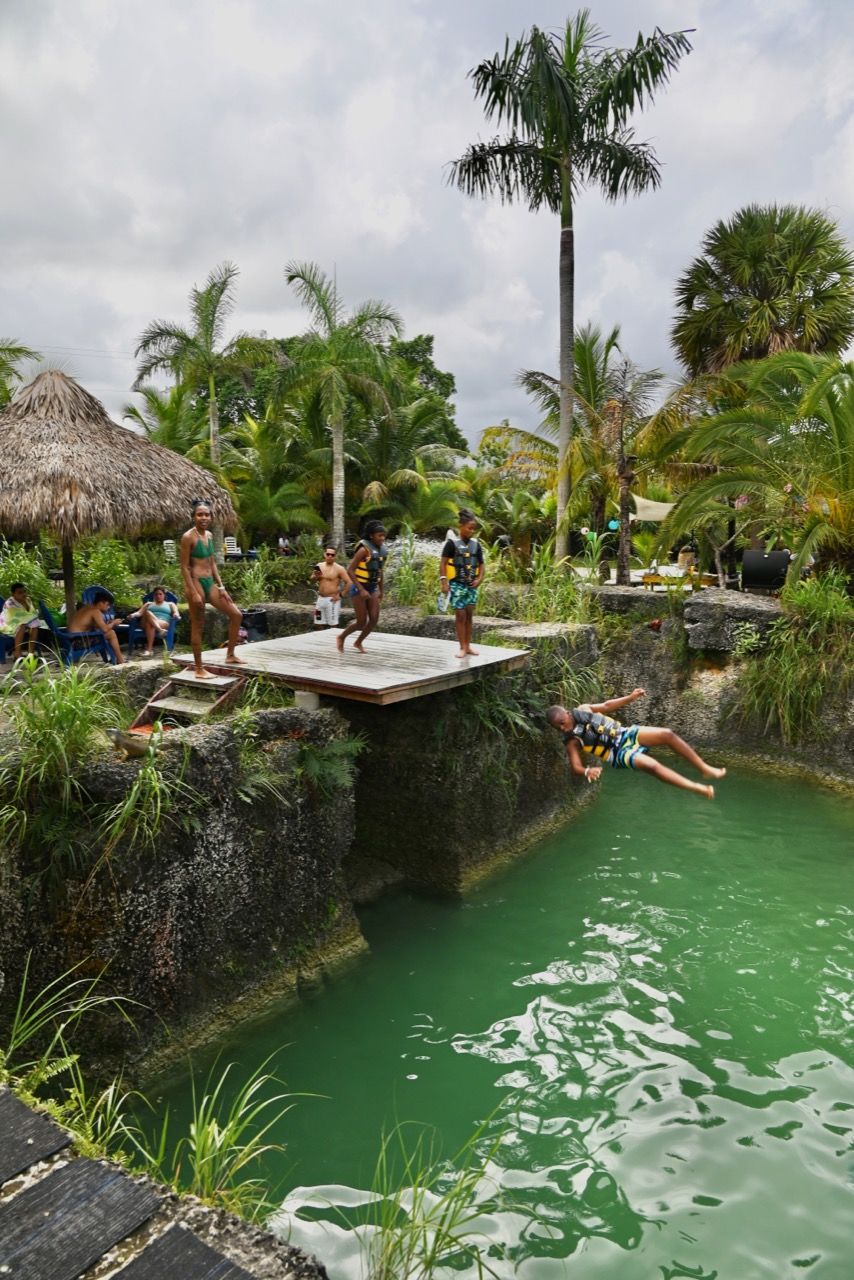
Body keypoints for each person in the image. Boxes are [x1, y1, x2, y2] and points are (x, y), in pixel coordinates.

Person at [547, 688, 726, 800]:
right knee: (653, 766)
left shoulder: (584, 709)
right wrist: (587, 771)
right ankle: (696, 788)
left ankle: (704, 768)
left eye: (562, 722)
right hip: (617, 753)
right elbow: (575, 767)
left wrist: (630, 697)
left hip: (625, 733)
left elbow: (607, 706)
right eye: (558, 727)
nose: (562, 728)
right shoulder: (572, 741)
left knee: (667, 734)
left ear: (568, 713)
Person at [180, 499, 245, 678]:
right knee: (198, 625)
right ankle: (199, 668)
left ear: (211, 517)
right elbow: (184, 567)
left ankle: (230, 655)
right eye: (200, 514)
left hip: (210, 582)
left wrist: (221, 586)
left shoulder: (209, 535)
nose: (204, 517)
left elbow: (212, 563)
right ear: (193, 517)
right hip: (195, 583)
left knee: (236, 615)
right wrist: (193, 592)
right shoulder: (188, 537)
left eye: (207, 514)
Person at [337, 521, 387, 653]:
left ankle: (358, 642)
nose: (382, 538)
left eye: (384, 535)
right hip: (358, 588)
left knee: (374, 619)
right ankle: (341, 637)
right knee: (361, 622)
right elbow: (350, 570)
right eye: (379, 535)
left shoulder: (382, 551)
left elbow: (380, 572)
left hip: (372, 587)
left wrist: (381, 591)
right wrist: (361, 589)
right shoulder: (363, 550)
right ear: (371, 536)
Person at [440, 509, 484, 658]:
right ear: (461, 526)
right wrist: (444, 582)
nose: (472, 531)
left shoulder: (476, 545)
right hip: (457, 584)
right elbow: (443, 563)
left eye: (473, 529)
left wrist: (479, 579)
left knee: (469, 615)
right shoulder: (451, 544)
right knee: (460, 615)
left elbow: (481, 564)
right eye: (469, 528)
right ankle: (462, 647)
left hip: (471, 585)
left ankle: (468, 646)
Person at [67, 591, 125, 665]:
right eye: (107, 605)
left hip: (70, 639)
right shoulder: (95, 611)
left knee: (108, 632)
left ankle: (117, 658)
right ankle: (120, 660)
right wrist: (113, 623)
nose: (109, 607)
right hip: (78, 642)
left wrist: (110, 623)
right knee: (111, 633)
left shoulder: (87, 607)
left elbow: (97, 626)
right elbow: (104, 629)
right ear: (101, 603)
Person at [129, 585, 180, 656]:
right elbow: (139, 613)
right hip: (147, 623)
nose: (158, 596)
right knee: (147, 612)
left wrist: (176, 615)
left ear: (164, 595)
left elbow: (176, 612)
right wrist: (132, 615)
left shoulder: (170, 604)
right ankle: (160, 630)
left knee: (150, 624)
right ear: (154, 595)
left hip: (162, 622)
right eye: (156, 594)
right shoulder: (148, 604)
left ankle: (149, 650)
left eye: (160, 594)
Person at [311, 547, 350, 630]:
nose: (330, 556)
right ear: (324, 554)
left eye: (332, 555)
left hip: (332, 600)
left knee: (333, 625)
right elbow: (312, 579)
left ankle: (333, 638)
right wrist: (315, 576)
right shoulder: (319, 565)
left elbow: (349, 582)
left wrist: (341, 595)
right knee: (318, 623)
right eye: (328, 554)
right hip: (320, 599)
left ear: (335, 556)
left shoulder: (339, 568)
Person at [0, 583, 41, 658]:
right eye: (20, 592)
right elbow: (16, 617)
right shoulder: (9, 603)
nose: (23, 594)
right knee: (22, 625)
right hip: (7, 624)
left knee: (35, 626)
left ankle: (30, 654)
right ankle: (17, 654)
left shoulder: (27, 600)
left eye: (24, 591)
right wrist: (29, 619)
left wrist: (25, 605)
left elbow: (32, 613)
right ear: (13, 594)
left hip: (24, 623)